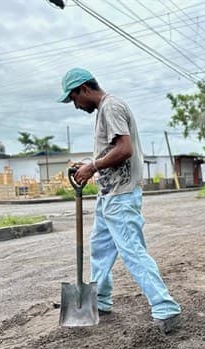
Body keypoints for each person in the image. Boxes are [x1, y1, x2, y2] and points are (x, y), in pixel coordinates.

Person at [57, 68, 181, 334]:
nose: (75, 106)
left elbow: (124, 149)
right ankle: (100, 300)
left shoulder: (111, 107)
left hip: (121, 195)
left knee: (132, 250)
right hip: (109, 194)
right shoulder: (105, 110)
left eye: (73, 98)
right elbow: (111, 150)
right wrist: (91, 164)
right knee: (100, 248)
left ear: (84, 89)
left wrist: (93, 167)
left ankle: (165, 307)